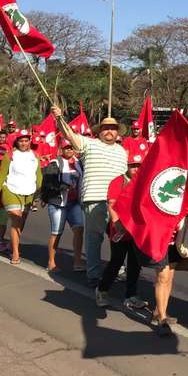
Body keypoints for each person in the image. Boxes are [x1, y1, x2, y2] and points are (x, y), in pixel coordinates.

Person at [51, 105, 128, 287]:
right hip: (95, 198)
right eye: (106, 128)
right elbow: (69, 135)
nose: (109, 131)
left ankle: (120, 270)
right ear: (100, 131)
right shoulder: (88, 144)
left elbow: (126, 177)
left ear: (117, 133)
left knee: (120, 238)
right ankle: (93, 274)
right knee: (94, 238)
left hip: (119, 202)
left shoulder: (123, 152)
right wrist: (59, 118)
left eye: (113, 128)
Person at [96, 151, 146, 310]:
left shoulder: (144, 182)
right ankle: (102, 290)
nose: (136, 169)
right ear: (127, 166)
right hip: (119, 230)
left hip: (136, 231)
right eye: (133, 166)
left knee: (135, 263)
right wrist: (117, 223)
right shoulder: (118, 181)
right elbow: (112, 205)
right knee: (116, 262)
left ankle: (131, 295)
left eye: (139, 166)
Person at [0, 130, 42, 265]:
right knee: (16, 219)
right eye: (21, 141)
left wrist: (40, 193)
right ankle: (15, 252)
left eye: (26, 140)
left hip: (29, 192)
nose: (24, 143)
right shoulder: (10, 155)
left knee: (21, 223)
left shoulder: (35, 156)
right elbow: (2, 176)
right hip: (11, 190)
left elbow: (39, 176)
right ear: (17, 142)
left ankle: (12, 243)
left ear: (29, 141)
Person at [40, 138, 84, 272]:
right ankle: (51, 262)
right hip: (58, 203)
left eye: (71, 147)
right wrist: (63, 187)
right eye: (66, 148)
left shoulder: (79, 163)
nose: (69, 150)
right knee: (56, 233)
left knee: (79, 229)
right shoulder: (55, 163)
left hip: (74, 203)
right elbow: (48, 183)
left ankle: (77, 261)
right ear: (61, 149)